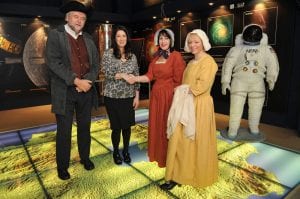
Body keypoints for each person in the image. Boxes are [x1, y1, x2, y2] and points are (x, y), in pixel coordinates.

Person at [45, 1, 100, 180]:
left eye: (83, 18)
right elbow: (53, 63)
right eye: (76, 16)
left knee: (85, 127)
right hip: (64, 92)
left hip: (86, 91)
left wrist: (88, 81)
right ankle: (63, 166)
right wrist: (76, 80)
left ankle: (85, 158)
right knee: (64, 131)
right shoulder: (55, 35)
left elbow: (96, 65)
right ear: (67, 18)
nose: (79, 20)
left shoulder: (89, 39)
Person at [160, 29, 218, 190]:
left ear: (203, 43)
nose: (193, 45)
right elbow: (186, 85)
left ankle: (193, 174)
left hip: (199, 107)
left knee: (193, 142)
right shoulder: (191, 62)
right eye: (190, 42)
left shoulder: (209, 62)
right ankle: (178, 175)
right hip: (186, 105)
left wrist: (178, 90)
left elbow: (200, 87)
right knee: (180, 140)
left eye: (196, 42)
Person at [125, 28, 185, 168]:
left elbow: (179, 81)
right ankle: (158, 154)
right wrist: (135, 78)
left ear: (171, 40)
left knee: (168, 125)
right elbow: (149, 76)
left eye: (166, 38)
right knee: (157, 124)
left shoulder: (176, 56)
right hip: (156, 96)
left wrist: (176, 100)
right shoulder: (156, 57)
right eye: (161, 39)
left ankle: (169, 156)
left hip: (170, 96)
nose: (163, 41)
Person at [221, 24, 279, 139]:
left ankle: (254, 128)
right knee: (236, 108)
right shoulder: (237, 49)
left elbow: (273, 65)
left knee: (256, 108)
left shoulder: (266, 49)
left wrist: (271, 78)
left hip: (257, 82)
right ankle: (232, 130)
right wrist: (225, 81)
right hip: (239, 81)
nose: (252, 39)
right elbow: (228, 65)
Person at [101, 26, 140, 165]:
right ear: (115, 38)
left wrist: (137, 96)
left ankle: (126, 151)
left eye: (124, 36)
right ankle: (116, 151)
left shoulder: (132, 56)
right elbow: (106, 73)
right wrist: (122, 75)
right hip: (112, 97)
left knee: (127, 127)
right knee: (116, 127)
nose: (121, 39)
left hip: (128, 97)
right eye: (118, 36)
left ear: (127, 38)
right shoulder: (108, 54)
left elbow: (136, 76)